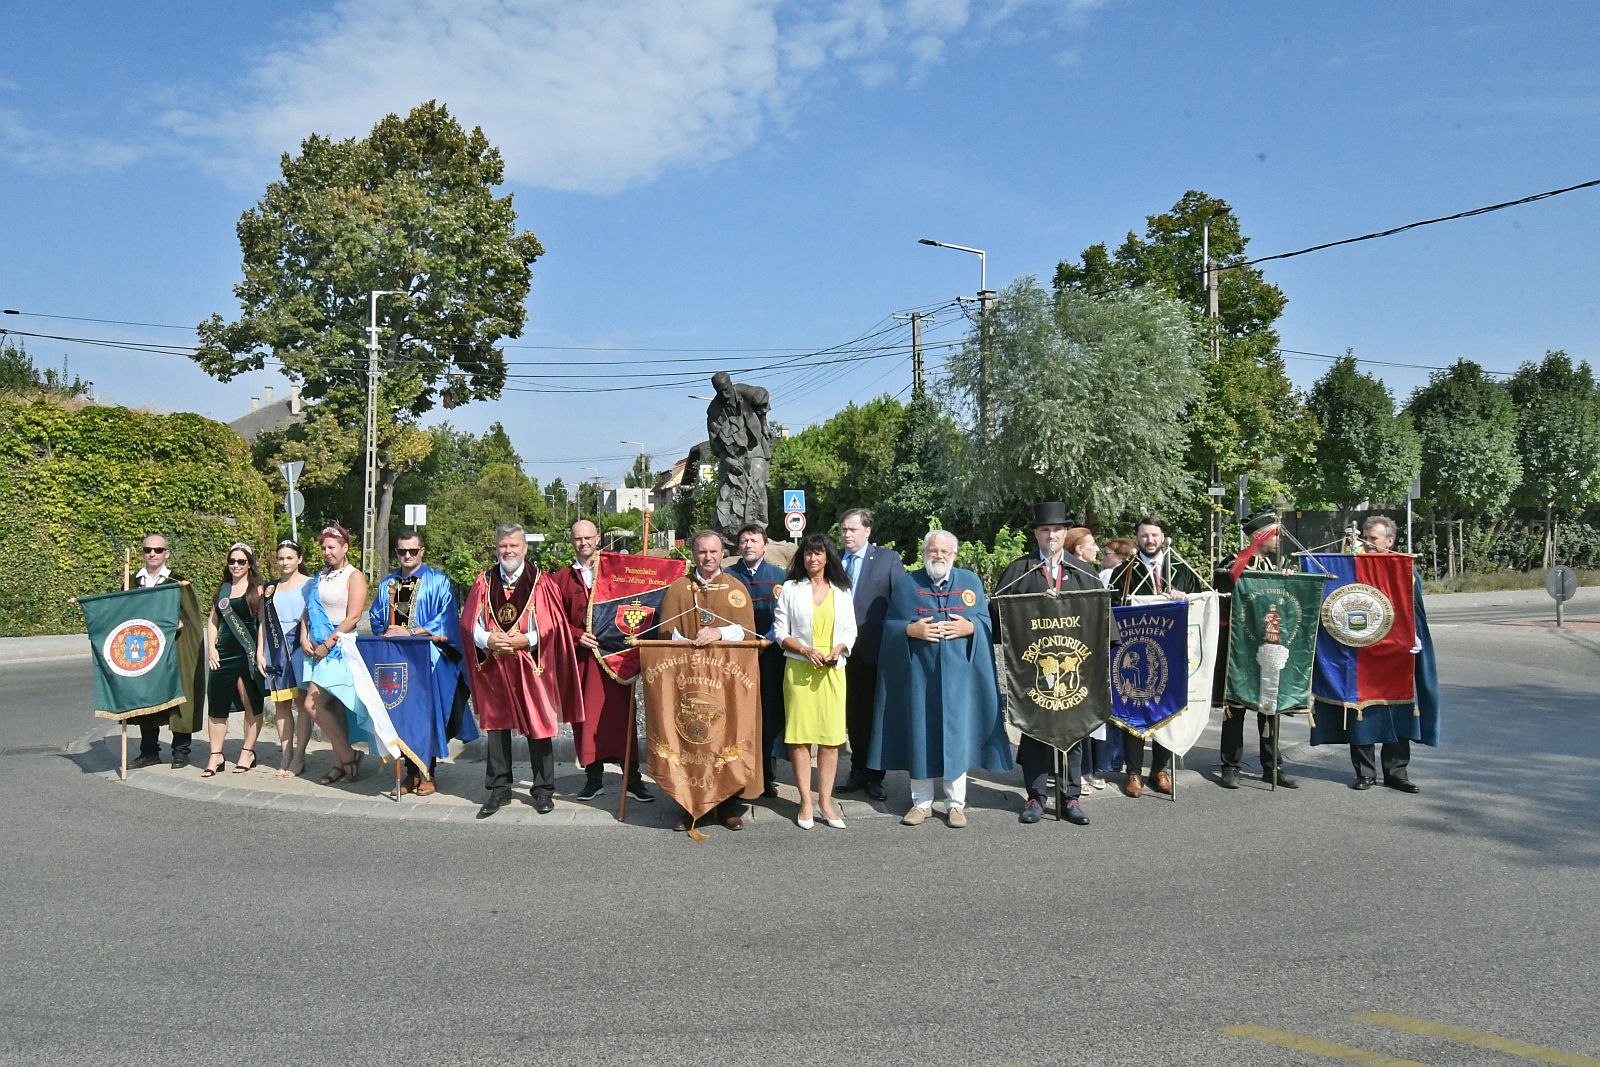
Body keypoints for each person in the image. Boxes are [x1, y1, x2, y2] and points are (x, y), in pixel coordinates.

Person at [872, 529, 1012, 827]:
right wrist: (911, 631)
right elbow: (891, 625)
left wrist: (971, 627)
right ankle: (921, 803)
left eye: (945, 551)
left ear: (954, 555)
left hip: (959, 679)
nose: (938, 555)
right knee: (920, 735)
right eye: (933, 550)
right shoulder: (908, 583)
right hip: (920, 678)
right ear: (924, 553)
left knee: (955, 738)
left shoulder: (970, 582)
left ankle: (955, 804)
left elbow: (988, 623)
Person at [992, 502, 1113, 826]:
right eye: (1045, 529)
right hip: (1034, 670)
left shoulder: (1084, 572)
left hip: (1076, 667)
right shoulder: (1020, 571)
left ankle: (1070, 797)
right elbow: (998, 614)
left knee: (1074, 731)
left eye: (1057, 530)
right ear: (1036, 533)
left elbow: (1103, 617)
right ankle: (1035, 796)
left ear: (1065, 533)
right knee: (1035, 732)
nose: (1051, 535)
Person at [461, 523, 584, 819]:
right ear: (496, 548)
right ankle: (499, 788)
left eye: (514, 545)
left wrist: (526, 640)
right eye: (503, 545)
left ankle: (543, 790)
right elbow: (468, 622)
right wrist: (486, 639)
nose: (508, 551)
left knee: (538, 725)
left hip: (530, 665)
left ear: (525, 548)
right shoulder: (484, 581)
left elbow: (553, 623)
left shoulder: (541, 582)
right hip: (495, 664)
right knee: (496, 728)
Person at [656, 529, 757, 831]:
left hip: (725, 683)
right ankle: (690, 807)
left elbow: (748, 633)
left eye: (713, 551)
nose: (708, 557)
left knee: (724, 738)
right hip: (687, 682)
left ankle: (726, 805)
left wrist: (719, 633)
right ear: (693, 553)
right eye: (702, 551)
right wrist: (685, 641)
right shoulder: (678, 590)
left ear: (722, 553)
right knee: (691, 738)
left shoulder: (736, 589)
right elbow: (664, 634)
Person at [549, 519, 653, 804]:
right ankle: (593, 779)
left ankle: (632, 780)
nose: (583, 543)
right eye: (577, 539)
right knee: (589, 721)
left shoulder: (618, 573)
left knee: (622, 719)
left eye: (587, 538)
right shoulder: (561, 579)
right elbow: (553, 620)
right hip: (583, 661)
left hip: (618, 659)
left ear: (598, 539)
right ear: (572, 542)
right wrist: (576, 635)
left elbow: (640, 600)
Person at [368, 528, 472, 797]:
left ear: (422, 551)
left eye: (413, 551)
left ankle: (427, 772)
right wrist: (385, 630)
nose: (407, 556)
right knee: (400, 716)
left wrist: (411, 632)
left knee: (425, 718)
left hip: (428, 662)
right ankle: (407, 775)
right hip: (396, 664)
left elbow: (446, 619)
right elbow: (377, 618)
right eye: (402, 551)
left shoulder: (438, 582)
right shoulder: (387, 585)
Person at [1107, 515, 1205, 798]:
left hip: (1171, 650)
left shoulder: (1181, 568)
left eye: (1154, 535)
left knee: (1168, 709)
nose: (1149, 540)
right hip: (1135, 649)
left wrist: (1183, 596)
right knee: (1135, 710)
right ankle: (1133, 773)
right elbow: (1113, 607)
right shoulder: (1125, 571)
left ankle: (1159, 770)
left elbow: (1198, 601)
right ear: (1137, 538)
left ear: (1163, 537)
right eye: (1144, 535)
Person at [773, 533, 856, 829]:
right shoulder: (790, 589)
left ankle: (826, 801)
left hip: (833, 671)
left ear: (827, 557)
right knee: (800, 738)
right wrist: (805, 649)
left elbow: (850, 631)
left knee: (832, 739)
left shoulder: (842, 590)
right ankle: (805, 802)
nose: (813, 558)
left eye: (818, 553)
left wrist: (839, 648)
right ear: (802, 557)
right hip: (799, 669)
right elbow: (780, 632)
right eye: (808, 553)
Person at [1214, 510, 1297, 789]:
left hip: (1270, 644)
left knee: (1269, 706)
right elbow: (1222, 595)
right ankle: (1230, 766)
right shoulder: (1234, 562)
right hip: (1240, 646)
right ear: (1260, 535)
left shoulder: (1281, 563)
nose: (1278, 540)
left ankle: (1272, 766)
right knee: (1235, 708)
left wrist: (1289, 580)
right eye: (1275, 534)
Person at [1347, 514, 1423, 794]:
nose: (1367, 543)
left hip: (1396, 652)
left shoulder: (1404, 568)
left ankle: (1396, 773)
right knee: (1362, 711)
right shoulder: (1354, 567)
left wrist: (1418, 637)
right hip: (1362, 650)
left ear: (1389, 541)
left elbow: (1414, 609)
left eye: (1373, 539)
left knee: (1396, 713)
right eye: (1364, 538)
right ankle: (1365, 773)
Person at [835, 507, 905, 801]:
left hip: (874, 650)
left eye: (852, 529)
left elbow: (901, 601)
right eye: (844, 530)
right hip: (840, 652)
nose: (847, 535)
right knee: (853, 716)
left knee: (875, 716)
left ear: (868, 531)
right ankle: (857, 770)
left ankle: (876, 775)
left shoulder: (888, 559)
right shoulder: (835, 560)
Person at [300, 525, 371, 786]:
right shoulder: (320, 576)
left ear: (345, 548)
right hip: (318, 647)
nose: (327, 552)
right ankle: (340, 763)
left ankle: (349, 755)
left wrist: (329, 643)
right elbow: (309, 609)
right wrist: (303, 636)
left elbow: (353, 617)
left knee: (313, 704)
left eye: (332, 547)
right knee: (333, 706)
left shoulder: (354, 576)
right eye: (323, 548)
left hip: (340, 648)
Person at [127, 533, 201, 769]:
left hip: (174, 646)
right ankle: (149, 750)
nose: (152, 554)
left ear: (166, 553)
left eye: (158, 550)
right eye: (148, 549)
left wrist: (178, 622)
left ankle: (180, 750)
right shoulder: (132, 582)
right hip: (146, 649)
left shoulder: (178, 583)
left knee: (179, 693)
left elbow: (190, 619)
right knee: (146, 695)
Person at [726, 522, 787, 797]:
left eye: (754, 540)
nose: (749, 544)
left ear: (765, 545)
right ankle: (737, 774)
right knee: (738, 713)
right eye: (744, 540)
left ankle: (767, 776)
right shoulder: (728, 576)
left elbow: (784, 615)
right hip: (735, 656)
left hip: (770, 655)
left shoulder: (779, 576)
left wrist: (767, 639)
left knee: (768, 714)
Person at [201, 543, 265, 776]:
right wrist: (212, 648)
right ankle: (216, 755)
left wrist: (260, 652)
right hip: (223, 653)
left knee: (251, 702)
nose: (236, 565)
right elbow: (213, 620)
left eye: (241, 561)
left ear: (249, 564)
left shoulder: (257, 589)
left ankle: (248, 751)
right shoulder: (223, 590)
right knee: (217, 704)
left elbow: (263, 623)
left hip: (247, 653)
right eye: (232, 561)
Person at [258, 539, 312, 778]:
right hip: (275, 651)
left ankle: (299, 756)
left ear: (299, 559)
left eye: (289, 558)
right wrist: (260, 651)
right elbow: (262, 622)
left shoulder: (310, 585)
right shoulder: (270, 589)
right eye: (281, 558)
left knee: (301, 705)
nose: (284, 562)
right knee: (281, 705)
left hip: (299, 649)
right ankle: (285, 753)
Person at [706, 371, 774, 535]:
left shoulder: (744, 392)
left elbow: (762, 397)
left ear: (730, 384)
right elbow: (715, 444)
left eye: (726, 389)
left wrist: (764, 425)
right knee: (728, 492)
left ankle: (758, 531)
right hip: (731, 454)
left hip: (755, 446)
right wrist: (728, 460)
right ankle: (730, 534)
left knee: (758, 486)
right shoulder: (714, 411)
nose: (724, 394)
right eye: (719, 391)